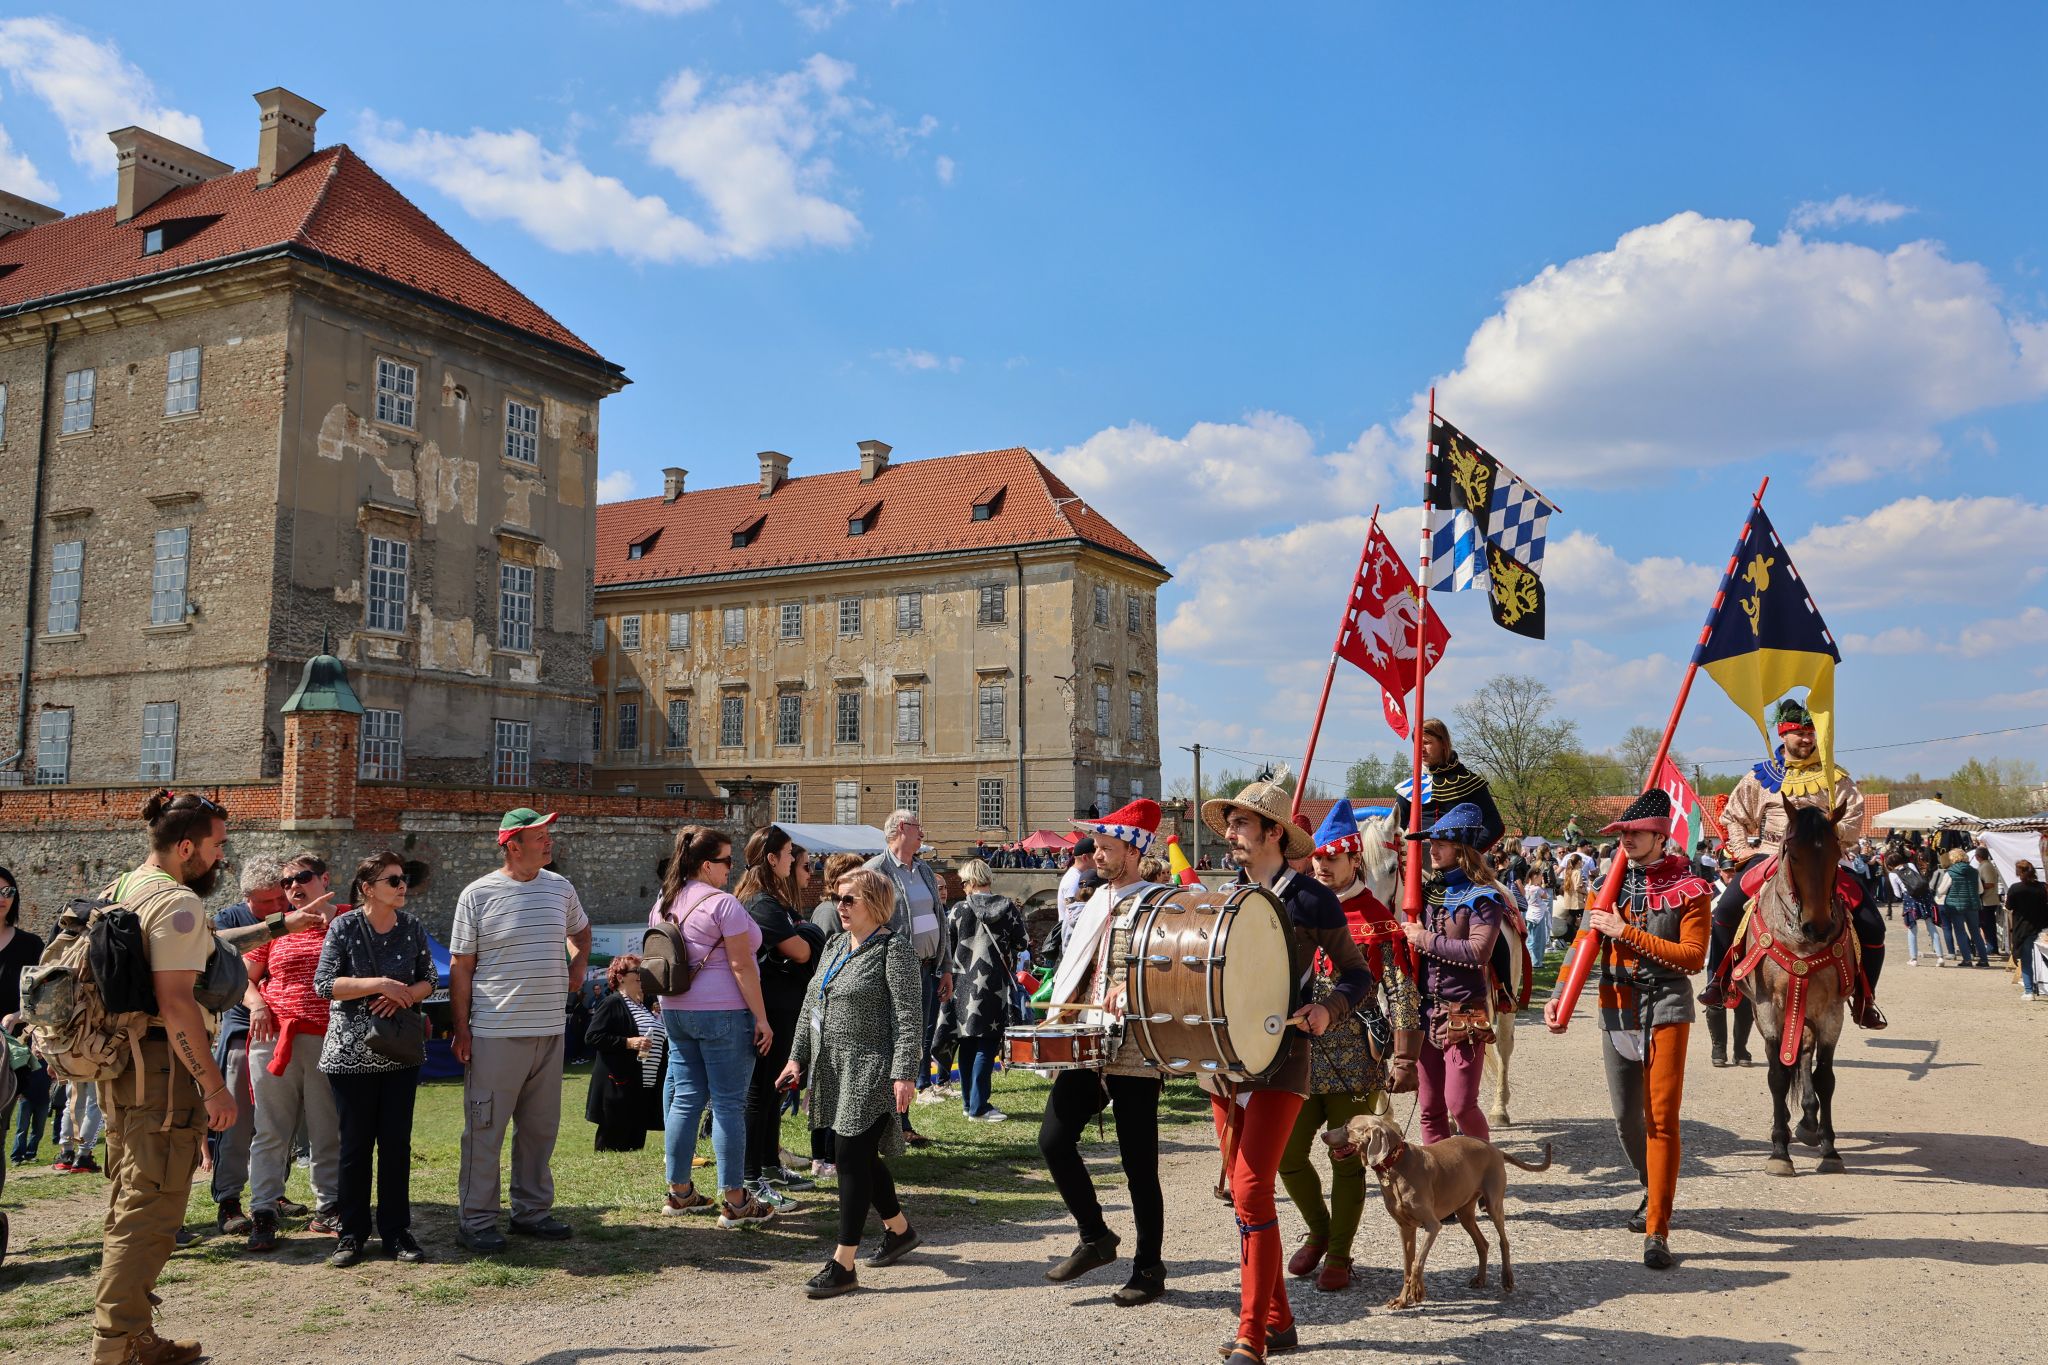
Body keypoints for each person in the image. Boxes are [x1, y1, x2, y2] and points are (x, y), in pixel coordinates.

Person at [1202, 772, 1374, 1364]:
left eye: (1242, 823)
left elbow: (1358, 973)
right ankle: (1279, 1320)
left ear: (1274, 832)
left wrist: (1329, 1008)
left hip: (1283, 1059)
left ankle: (1251, 1335)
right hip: (1226, 1066)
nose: (1232, 833)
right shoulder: (1223, 897)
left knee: (1252, 1189)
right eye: (1230, 823)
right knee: (1245, 1197)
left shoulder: (1311, 898)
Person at [90, 792, 240, 1365]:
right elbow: (177, 1003)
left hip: (123, 1068)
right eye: (216, 846)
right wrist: (214, 1086)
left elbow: (191, 953)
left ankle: (131, 1332)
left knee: (131, 1198)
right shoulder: (178, 903)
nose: (220, 858)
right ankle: (119, 1344)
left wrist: (278, 923)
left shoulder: (124, 888)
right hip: (164, 1072)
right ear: (186, 847)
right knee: (152, 1205)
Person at [1547, 791, 1708, 1270]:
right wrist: (1561, 994)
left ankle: (1658, 1229)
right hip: (1615, 1005)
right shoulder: (1607, 884)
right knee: (1624, 1118)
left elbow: (1693, 957)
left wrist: (1627, 933)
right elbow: (1581, 944)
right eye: (1622, 834)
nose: (1627, 841)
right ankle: (1649, 1184)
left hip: (1666, 1005)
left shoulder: (1692, 887)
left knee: (1661, 1119)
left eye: (1635, 833)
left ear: (1661, 836)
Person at [1037, 800, 1173, 1307]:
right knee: (1053, 1139)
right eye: (1097, 845)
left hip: (1137, 1046)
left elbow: (1173, 970)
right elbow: (1076, 963)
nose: (1096, 853)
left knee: (1139, 1164)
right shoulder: (1095, 899)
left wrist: (1128, 984)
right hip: (1088, 1040)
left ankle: (1150, 1267)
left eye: (1107, 847)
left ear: (1134, 851)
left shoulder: (1161, 903)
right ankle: (1096, 1236)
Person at [1281, 799, 1418, 1294]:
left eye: (1331, 859)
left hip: (1354, 1060)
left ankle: (1339, 1252)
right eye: (1317, 859)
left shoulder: (1376, 916)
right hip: (1297, 1058)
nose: (1321, 867)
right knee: (1287, 1156)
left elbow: (1401, 989)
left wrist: (1404, 1056)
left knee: (1344, 1158)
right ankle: (1320, 1231)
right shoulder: (1296, 905)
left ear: (1354, 860)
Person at [449, 808, 592, 1253]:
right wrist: (462, 1030)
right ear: (513, 845)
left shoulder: (560, 887)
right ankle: (476, 1221)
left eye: (549, 834)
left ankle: (531, 1213)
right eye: (540, 836)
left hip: (551, 1030)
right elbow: (460, 968)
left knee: (539, 1129)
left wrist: (580, 963)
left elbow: (582, 934)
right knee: (485, 1130)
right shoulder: (477, 894)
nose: (549, 842)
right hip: (495, 1033)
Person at [780, 868, 923, 1299]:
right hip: (834, 1067)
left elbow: (908, 1018)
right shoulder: (836, 945)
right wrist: (796, 1056)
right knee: (857, 1155)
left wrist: (905, 1072)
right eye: (838, 898)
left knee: (849, 1157)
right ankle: (899, 1231)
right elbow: (811, 1003)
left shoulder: (893, 951)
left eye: (849, 900)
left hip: (872, 1067)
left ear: (874, 904)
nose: (840, 906)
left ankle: (844, 1262)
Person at [1705, 698, 1881, 1026]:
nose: (1806, 739)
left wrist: (1825, 836)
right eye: (1798, 732)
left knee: (1873, 923)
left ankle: (1865, 999)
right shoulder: (1761, 777)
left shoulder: (1836, 778)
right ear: (1783, 735)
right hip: (1770, 856)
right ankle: (1718, 981)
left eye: (1811, 732)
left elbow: (1855, 820)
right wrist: (1743, 852)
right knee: (1726, 911)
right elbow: (1733, 817)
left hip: (1824, 862)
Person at [650, 824, 777, 1228]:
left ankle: (680, 1191)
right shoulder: (722, 904)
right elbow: (742, 966)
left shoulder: (664, 901)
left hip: (676, 1009)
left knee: (686, 1098)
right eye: (726, 861)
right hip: (723, 1011)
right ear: (707, 864)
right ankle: (737, 1201)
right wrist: (761, 1017)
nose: (731, 869)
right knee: (728, 1104)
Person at [313, 852, 436, 1267]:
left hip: (400, 1052)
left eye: (404, 879)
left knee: (396, 1146)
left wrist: (403, 994)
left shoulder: (412, 927)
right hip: (350, 1054)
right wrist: (379, 984)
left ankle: (397, 1232)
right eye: (393, 880)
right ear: (367, 888)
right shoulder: (344, 927)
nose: (402, 886)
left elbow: (429, 980)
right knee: (355, 1147)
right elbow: (325, 984)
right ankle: (351, 1235)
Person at [241, 851, 347, 1252]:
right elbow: (244, 979)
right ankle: (263, 1210)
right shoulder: (275, 929)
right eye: (286, 883)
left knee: (326, 1129)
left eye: (302, 877)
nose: (294, 887)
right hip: (275, 1036)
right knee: (271, 1130)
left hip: (328, 1036)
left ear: (324, 877)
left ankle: (328, 1206)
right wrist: (258, 1005)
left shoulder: (348, 920)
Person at [1401, 804, 1507, 1149]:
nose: (1433, 850)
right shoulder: (1425, 895)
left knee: (1461, 1105)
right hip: (1425, 1014)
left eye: (1441, 844)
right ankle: (1441, 1186)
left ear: (1461, 850)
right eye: (1431, 844)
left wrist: (1424, 939)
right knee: (1430, 1110)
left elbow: (1479, 952)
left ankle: (1481, 1173)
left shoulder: (1485, 897)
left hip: (1465, 1011)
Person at [734, 826, 824, 1208]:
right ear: (772, 859)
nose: (794, 859)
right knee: (758, 1093)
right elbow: (802, 951)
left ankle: (769, 1163)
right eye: (789, 853)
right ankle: (750, 1176)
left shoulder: (774, 900)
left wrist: (809, 935)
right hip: (768, 1006)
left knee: (772, 1089)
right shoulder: (761, 903)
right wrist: (809, 936)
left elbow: (805, 941)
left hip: (784, 1004)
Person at [207, 855, 289, 1235]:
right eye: (266, 903)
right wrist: (257, 1003)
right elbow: (229, 976)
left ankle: (271, 1191)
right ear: (246, 899)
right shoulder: (228, 921)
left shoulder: (296, 913)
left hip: (290, 1030)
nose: (276, 908)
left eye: (279, 900)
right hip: (244, 1028)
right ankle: (228, 1199)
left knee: (281, 1119)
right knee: (237, 1119)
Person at [864, 811, 953, 1130]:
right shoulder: (876, 871)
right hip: (894, 973)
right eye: (918, 827)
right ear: (902, 829)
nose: (923, 833)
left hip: (928, 969)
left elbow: (939, 918)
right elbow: (864, 926)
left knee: (916, 1042)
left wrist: (945, 967)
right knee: (894, 1044)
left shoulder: (925, 870)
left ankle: (902, 1120)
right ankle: (890, 1121)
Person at [945, 859, 1028, 1123]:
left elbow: (947, 946)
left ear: (969, 882)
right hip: (995, 984)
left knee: (967, 1042)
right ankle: (979, 1107)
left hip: (962, 983)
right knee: (987, 1044)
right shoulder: (1007, 908)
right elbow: (1023, 942)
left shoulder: (958, 910)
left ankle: (970, 1103)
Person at [1, 863, 46, 1261]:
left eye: (7, 892)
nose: (2, 899)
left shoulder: (30, 945)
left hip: (6, 1055)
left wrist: (19, 1016)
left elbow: (40, 997)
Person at [584, 955, 667, 1149]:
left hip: (643, 1087)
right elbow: (592, 1036)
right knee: (613, 1145)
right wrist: (628, 1042)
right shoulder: (613, 1003)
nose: (641, 975)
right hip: (620, 1086)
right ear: (621, 977)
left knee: (634, 1145)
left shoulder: (644, 1007)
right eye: (636, 971)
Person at [1390, 718, 1506, 853]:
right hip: (1417, 861)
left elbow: (1494, 826)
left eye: (1427, 743)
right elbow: (1395, 829)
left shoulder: (1470, 782)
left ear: (1443, 743)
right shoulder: (1409, 788)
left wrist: (1467, 855)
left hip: (1459, 863)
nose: (1421, 749)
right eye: (1417, 744)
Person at [1935, 849, 1989, 968]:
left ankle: (1967, 959)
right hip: (1972, 905)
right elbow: (1980, 890)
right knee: (1975, 932)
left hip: (1955, 906)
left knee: (1960, 932)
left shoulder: (1950, 872)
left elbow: (1942, 890)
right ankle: (1984, 959)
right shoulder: (1974, 871)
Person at [1891, 854, 1944, 967]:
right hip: (1925, 896)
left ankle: (1913, 959)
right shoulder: (1910, 865)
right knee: (1931, 926)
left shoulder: (1893, 874)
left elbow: (1897, 893)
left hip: (1910, 899)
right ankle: (1940, 957)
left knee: (1912, 928)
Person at [2007, 861, 2046, 1001]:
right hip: (2042, 927)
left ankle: (2029, 990)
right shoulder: (2043, 887)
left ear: (2019, 872)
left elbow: (2009, 906)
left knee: (2026, 959)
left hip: (2023, 928)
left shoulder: (2015, 889)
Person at [1055, 837, 1097, 951]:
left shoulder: (1077, 876)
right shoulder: (1074, 881)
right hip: (1072, 942)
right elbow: (1074, 918)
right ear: (1085, 857)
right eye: (1096, 852)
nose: (1099, 856)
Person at [1973, 849, 2006, 957]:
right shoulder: (1984, 865)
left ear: (1978, 856)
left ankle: (1992, 948)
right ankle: (1990, 947)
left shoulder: (1986, 866)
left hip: (1988, 900)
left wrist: (1977, 886)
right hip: (1986, 900)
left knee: (1988, 925)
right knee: (1985, 925)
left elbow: (1990, 884)